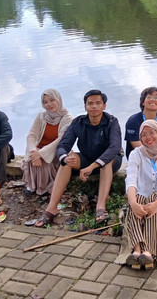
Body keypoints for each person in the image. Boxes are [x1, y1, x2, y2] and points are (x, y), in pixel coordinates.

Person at [34, 89, 123, 227]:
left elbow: (115, 147)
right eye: (90, 103)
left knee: (106, 162)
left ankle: (100, 207)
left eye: (98, 103)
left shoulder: (112, 121)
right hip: (87, 158)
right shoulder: (78, 122)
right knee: (67, 162)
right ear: (85, 106)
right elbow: (63, 145)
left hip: (110, 160)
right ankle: (51, 207)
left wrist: (92, 166)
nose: (94, 106)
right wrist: (66, 158)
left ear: (104, 106)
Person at [116, 119, 157, 269]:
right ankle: (138, 250)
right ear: (140, 138)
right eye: (144, 134)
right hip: (140, 200)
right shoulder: (136, 154)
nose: (148, 137)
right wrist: (133, 203)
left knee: (153, 199)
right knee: (139, 199)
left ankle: (146, 250)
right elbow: (131, 179)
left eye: (152, 132)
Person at [21, 89, 74, 196]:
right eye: (45, 102)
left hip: (55, 152)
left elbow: (60, 140)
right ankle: (32, 186)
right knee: (32, 159)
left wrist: (40, 154)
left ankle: (44, 188)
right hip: (38, 150)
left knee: (44, 162)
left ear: (58, 99)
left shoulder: (68, 119)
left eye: (52, 100)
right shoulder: (41, 116)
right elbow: (31, 135)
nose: (49, 104)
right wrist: (33, 151)